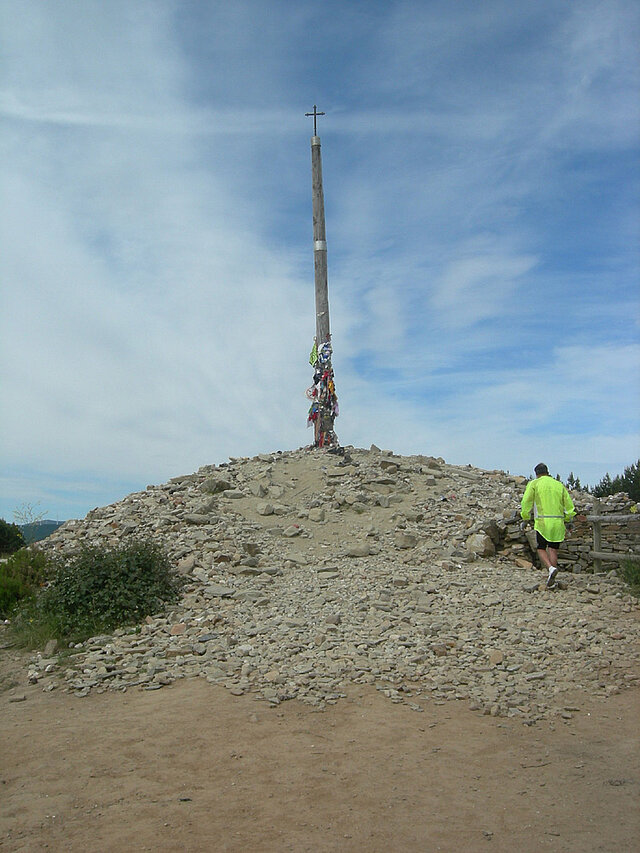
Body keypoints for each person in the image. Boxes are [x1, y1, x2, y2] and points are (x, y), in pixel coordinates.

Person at [521, 463, 576, 588]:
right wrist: (568, 519)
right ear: (547, 471)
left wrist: (525, 517)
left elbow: (526, 501)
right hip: (558, 522)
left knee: (541, 548)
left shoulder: (535, 484)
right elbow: (568, 504)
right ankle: (552, 578)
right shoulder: (558, 485)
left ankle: (550, 569)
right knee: (553, 548)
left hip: (543, 522)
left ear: (536, 473)